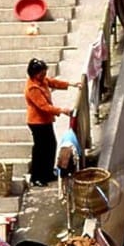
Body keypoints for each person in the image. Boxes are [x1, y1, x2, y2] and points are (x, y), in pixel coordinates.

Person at [25, 58, 81, 187]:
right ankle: (37, 177)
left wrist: (71, 84)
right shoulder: (32, 88)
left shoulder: (42, 80)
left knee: (50, 146)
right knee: (40, 150)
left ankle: (48, 172)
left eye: (44, 73)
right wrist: (61, 110)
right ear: (34, 74)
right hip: (37, 123)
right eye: (41, 74)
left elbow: (53, 82)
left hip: (45, 121)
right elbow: (43, 107)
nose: (44, 76)